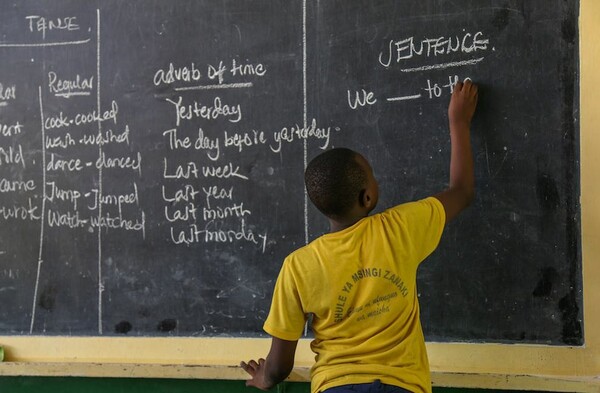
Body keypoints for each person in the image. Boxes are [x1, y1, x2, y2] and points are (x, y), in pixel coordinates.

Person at [241, 80, 478, 393]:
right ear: (367, 198)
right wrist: (458, 121)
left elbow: (280, 364)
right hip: (402, 385)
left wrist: (265, 377)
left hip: (336, 386)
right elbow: (461, 191)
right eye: (373, 176)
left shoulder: (298, 267)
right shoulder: (399, 229)